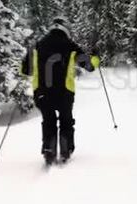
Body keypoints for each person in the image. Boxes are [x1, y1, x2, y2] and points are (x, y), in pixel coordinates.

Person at [21, 17, 100, 165]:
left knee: (48, 120)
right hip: (65, 92)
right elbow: (90, 66)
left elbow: (25, 70)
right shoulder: (71, 46)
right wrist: (95, 56)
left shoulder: (37, 45)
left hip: (42, 92)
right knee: (66, 121)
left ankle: (49, 150)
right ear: (66, 29)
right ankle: (66, 149)